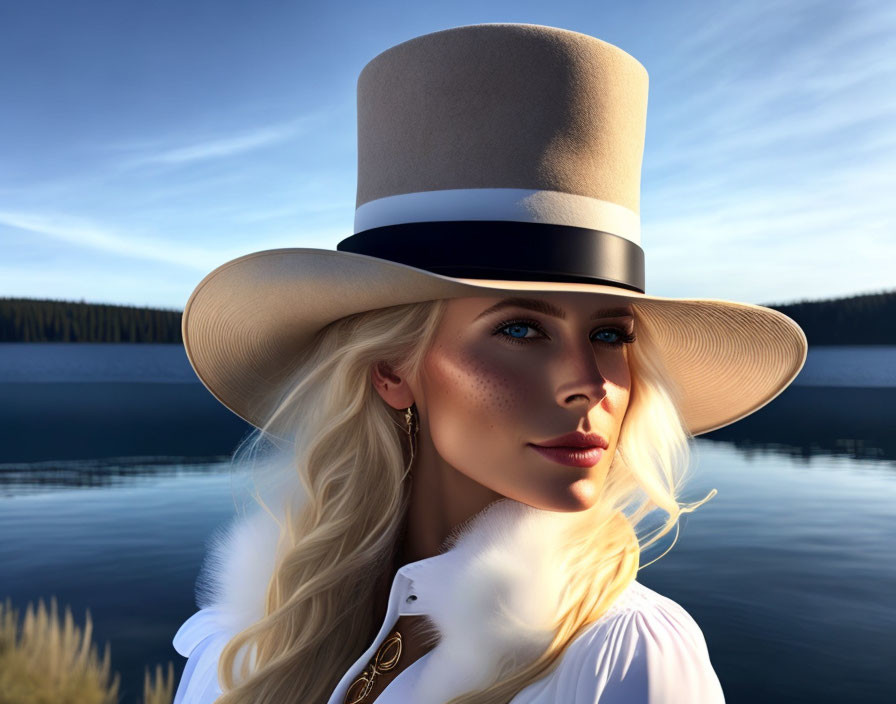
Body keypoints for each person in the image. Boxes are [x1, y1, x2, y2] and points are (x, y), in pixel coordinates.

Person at [171, 22, 806, 704]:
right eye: (524, 328)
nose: (589, 386)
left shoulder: (625, 655)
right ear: (391, 369)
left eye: (610, 336)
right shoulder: (246, 639)